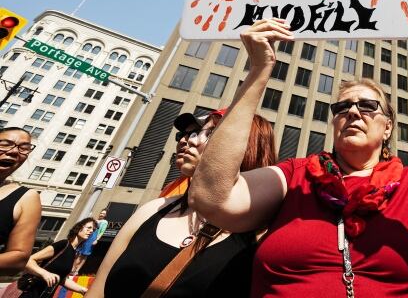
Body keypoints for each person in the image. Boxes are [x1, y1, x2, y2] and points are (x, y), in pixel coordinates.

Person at [189, 7, 408, 297]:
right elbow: (213, 199)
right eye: (342, 108)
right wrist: (259, 70)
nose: (353, 112)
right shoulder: (295, 175)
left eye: (367, 106)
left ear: (388, 127)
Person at [86, 107, 276, 297]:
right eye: (195, 133)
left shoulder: (265, 235)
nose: (189, 140)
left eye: (210, 134)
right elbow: (98, 291)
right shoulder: (151, 211)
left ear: (245, 148)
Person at [0, 127, 42, 273]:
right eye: (5, 143)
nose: (14, 151)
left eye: (24, 148)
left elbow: (19, 257)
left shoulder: (27, 198)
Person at [20, 218, 94, 297]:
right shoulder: (63, 244)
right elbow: (30, 260)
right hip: (32, 293)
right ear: (79, 227)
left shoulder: (74, 252)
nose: (91, 231)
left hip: (45, 295)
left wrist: (82, 290)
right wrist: (45, 273)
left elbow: (62, 279)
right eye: (89, 228)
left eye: (93, 229)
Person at [72, 209, 108, 274]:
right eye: (101, 213)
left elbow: (102, 232)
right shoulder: (94, 221)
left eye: (103, 213)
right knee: (78, 253)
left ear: (105, 215)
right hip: (86, 236)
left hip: (92, 238)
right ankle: (73, 268)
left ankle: (77, 270)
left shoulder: (104, 222)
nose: (102, 214)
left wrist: (96, 240)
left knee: (85, 254)